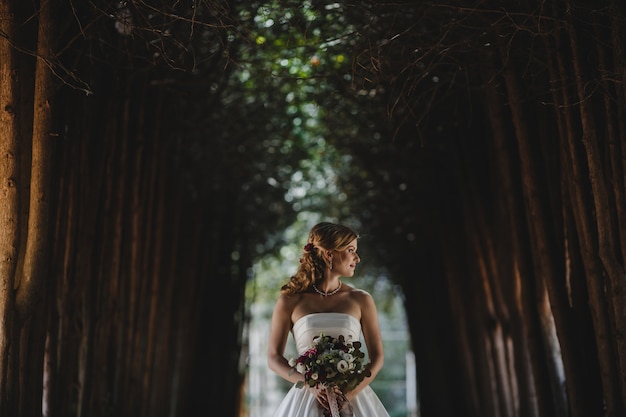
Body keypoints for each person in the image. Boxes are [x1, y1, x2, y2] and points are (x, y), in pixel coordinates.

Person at [268, 222, 390, 417]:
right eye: (351, 250)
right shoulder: (289, 300)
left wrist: (350, 393)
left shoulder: (361, 299)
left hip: (352, 397)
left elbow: (377, 358)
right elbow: (273, 358)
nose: (357, 258)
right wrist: (308, 384)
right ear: (329, 254)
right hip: (307, 398)